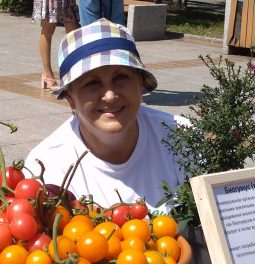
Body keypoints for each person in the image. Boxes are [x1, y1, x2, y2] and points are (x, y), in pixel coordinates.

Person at [26, 20, 183, 209]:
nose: (109, 95)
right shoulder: (47, 166)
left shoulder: (181, 137)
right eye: (91, 83)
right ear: (70, 97)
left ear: (140, 84)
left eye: (121, 77)